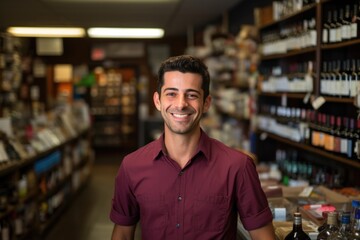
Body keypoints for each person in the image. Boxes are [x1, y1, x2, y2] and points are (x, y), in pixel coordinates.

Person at [110, 55, 276, 240]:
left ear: (206, 103)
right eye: (171, 93)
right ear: (157, 101)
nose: (181, 104)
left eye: (192, 95)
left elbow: (264, 237)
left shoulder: (237, 166)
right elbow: (123, 234)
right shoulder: (132, 166)